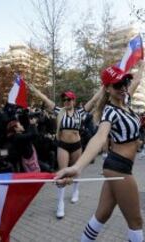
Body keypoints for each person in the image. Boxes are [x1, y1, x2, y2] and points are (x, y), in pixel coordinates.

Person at [55, 62, 145, 242]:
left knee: (101, 215)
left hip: (116, 166)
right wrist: (78, 167)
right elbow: (100, 137)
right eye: (117, 85)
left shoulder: (126, 100)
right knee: (136, 221)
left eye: (125, 83)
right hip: (120, 169)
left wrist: (141, 65)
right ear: (108, 89)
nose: (123, 87)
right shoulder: (110, 112)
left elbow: (136, 81)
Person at [30, 85, 103, 219]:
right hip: (63, 145)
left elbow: (93, 100)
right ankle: (60, 203)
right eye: (65, 100)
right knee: (61, 175)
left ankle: (75, 191)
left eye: (69, 99)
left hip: (76, 145)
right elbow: (46, 100)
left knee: (75, 171)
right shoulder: (59, 111)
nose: (67, 102)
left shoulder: (80, 112)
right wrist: (35, 90)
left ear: (74, 101)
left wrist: (103, 88)